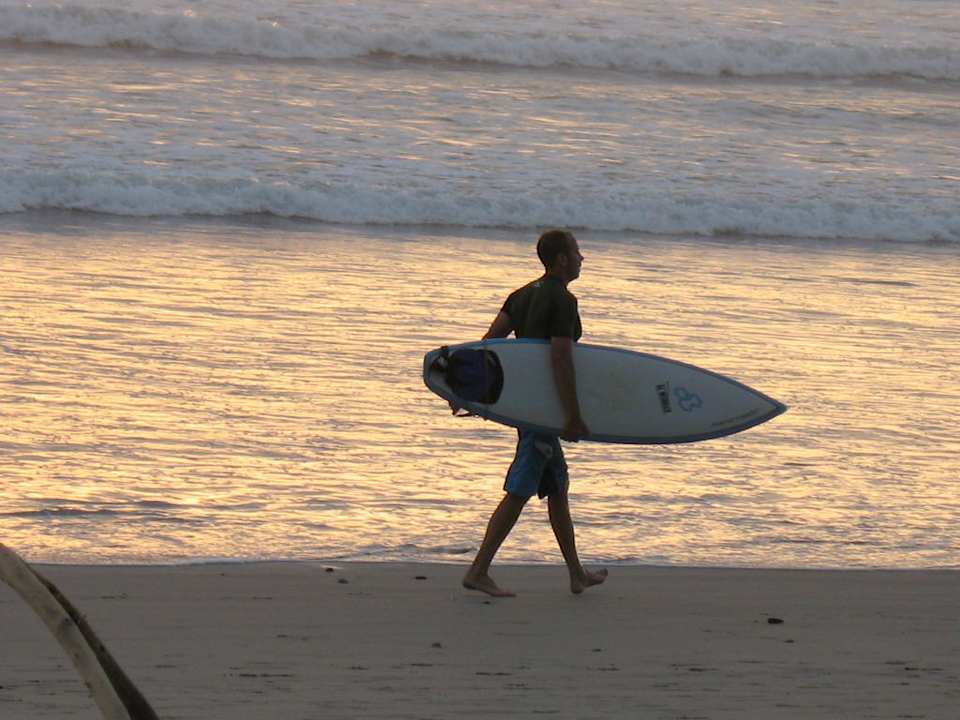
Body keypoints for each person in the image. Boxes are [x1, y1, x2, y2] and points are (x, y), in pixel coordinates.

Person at [462, 229, 608, 597]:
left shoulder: (521, 295)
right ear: (561, 259)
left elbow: (488, 346)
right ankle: (478, 571)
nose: (581, 258)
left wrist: (471, 393)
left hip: (526, 406)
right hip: (543, 412)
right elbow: (560, 357)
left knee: (557, 487)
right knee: (520, 490)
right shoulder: (562, 300)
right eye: (576, 252)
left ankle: (577, 573)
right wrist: (572, 414)